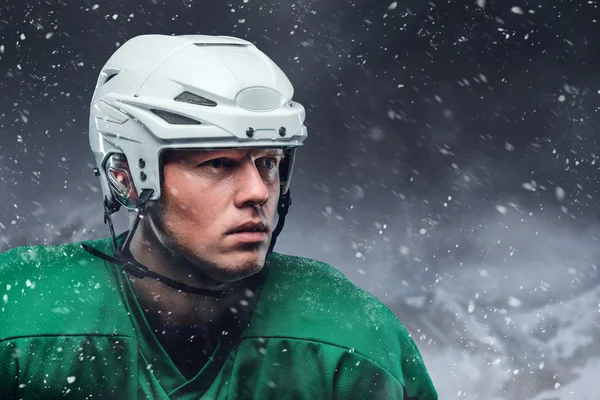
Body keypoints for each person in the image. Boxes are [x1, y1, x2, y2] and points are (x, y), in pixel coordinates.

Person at [0, 34, 437, 399]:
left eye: (267, 162)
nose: (257, 192)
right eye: (219, 164)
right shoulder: (20, 316)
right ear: (127, 176)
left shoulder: (347, 338)